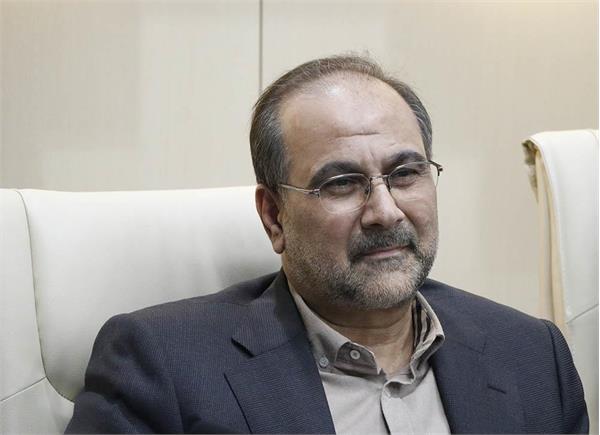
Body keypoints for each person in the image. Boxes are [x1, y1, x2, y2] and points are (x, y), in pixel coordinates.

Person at [66, 55, 588, 434]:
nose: (385, 211)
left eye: (406, 173)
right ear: (274, 216)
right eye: (341, 183)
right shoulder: (161, 363)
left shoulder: (531, 354)